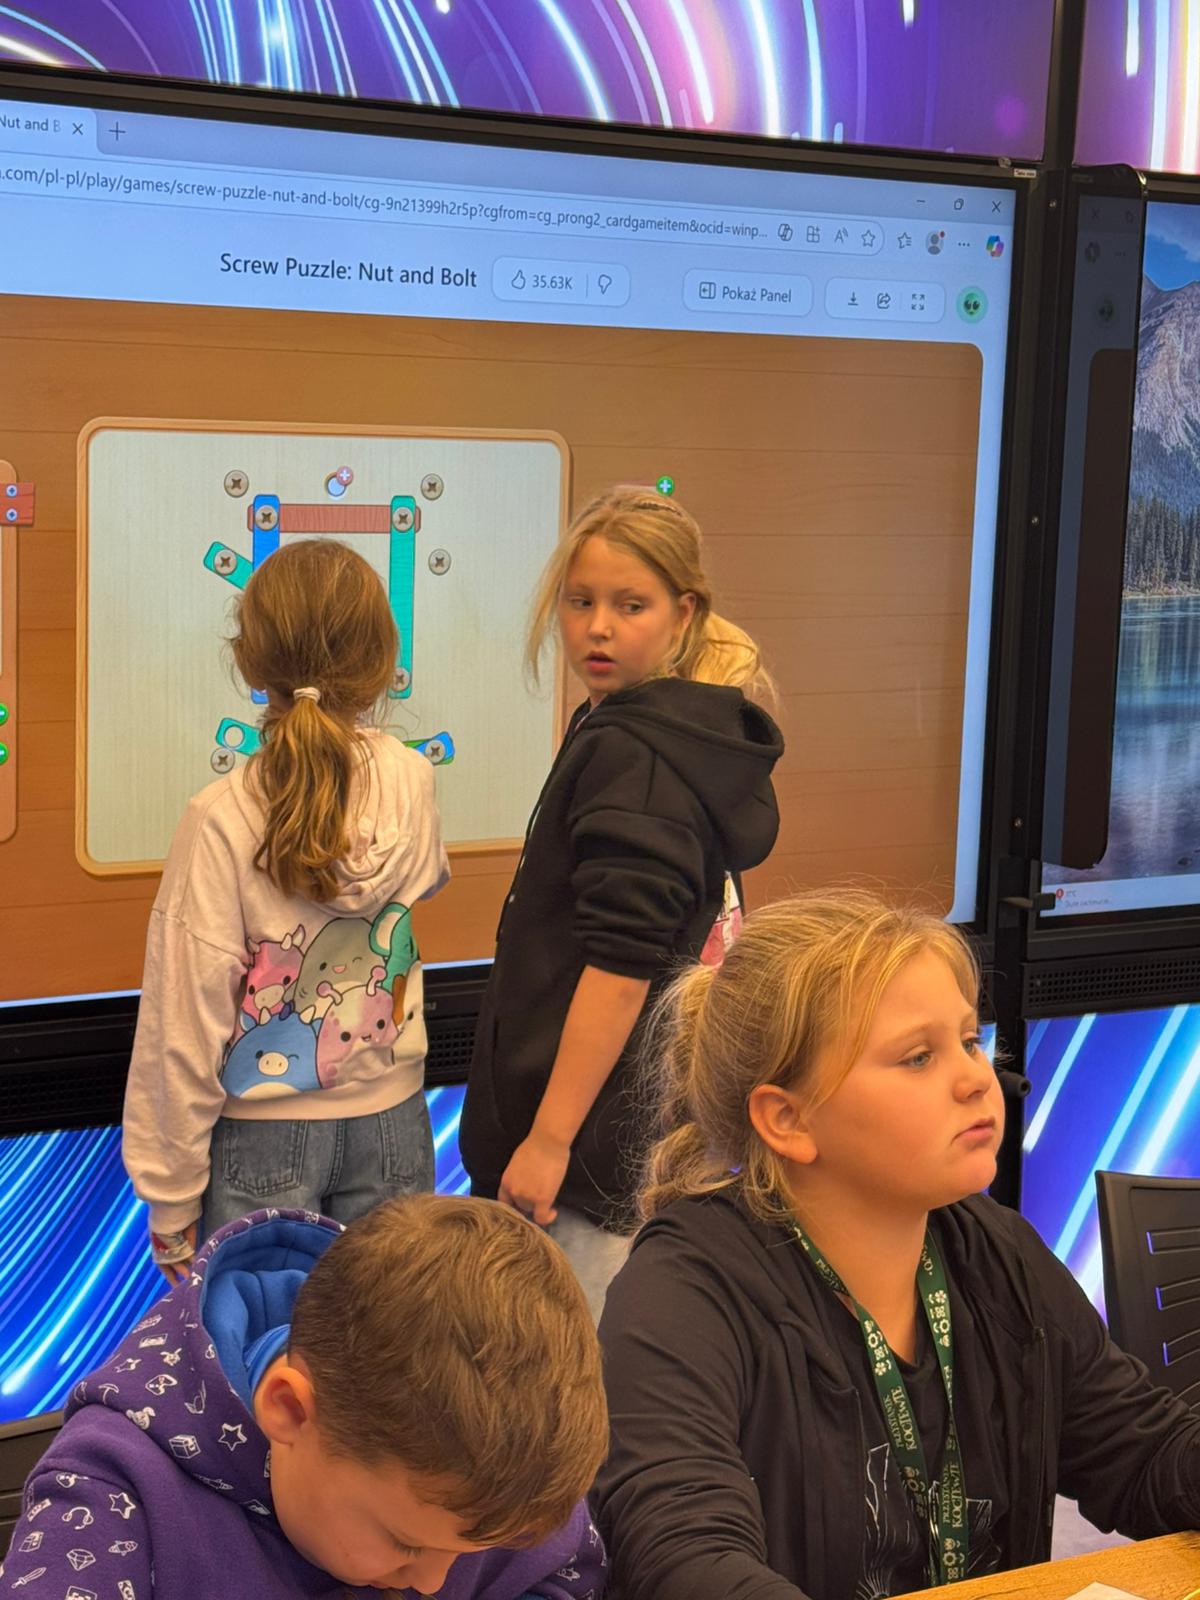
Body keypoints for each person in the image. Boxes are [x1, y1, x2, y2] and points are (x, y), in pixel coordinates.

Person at [593, 889, 1200, 1600]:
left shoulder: (996, 1253)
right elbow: (681, 1555)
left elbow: (1146, 1457)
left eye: (969, 1041)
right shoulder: (681, 1294)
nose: (976, 1078)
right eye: (918, 1058)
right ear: (788, 1120)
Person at [459, 484, 783, 1317]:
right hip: (624, 1143)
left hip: (586, 1163)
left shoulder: (637, 757)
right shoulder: (654, 731)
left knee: (582, 1382)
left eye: (629, 606)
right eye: (581, 602)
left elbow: (619, 971)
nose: (597, 627)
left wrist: (548, 1141)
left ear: (683, 614)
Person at [1, 1194, 608, 1599]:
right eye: (406, 1545)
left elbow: (563, 1570)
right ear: (289, 1410)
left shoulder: (486, 1477)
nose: (432, 1583)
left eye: (467, 1552)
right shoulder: (111, 1492)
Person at [123, 538, 449, 1283]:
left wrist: (170, 1197)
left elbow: (183, 1021)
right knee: (385, 1343)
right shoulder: (414, 783)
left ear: (250, 662)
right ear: (383, 660)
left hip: (262, 1138)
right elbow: (427, 878)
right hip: (395, 1124)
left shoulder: (221, 816)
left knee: (266, 1351)